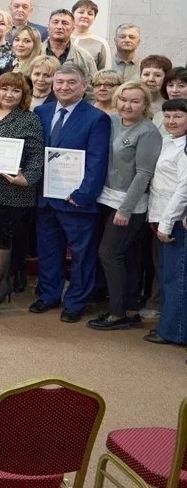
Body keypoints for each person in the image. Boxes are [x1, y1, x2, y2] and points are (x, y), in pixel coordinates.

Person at [32, 63, 111, 323]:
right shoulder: (41, 112)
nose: (64, 87)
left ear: (84, 85)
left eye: (71, 82)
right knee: (48, 251)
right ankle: (49, 295)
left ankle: (76, 302)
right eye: (60, 82)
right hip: (45, 197)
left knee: (81, 255)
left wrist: (83, 194)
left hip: (76, 200)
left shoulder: (96, 118)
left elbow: (97, 161)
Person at [0, 72, 45, 319]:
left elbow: (36, 155)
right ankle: (3, 285)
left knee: (0, 239)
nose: (9, 94)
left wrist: (27, 178)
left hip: (12, 190)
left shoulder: (29, 120)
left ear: (24, 95)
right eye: (5, 89)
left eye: (16, 90)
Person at [86, 82, 160, 331]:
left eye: (135, 101)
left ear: (145, 104)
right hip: (106, 197)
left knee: (109, 254)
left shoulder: (148, 131)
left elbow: (143, 174)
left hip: (129, 204)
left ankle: (117, 314)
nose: (127, 105)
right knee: (125, 256)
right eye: (123, 99)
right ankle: (129, 309)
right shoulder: (112, 121)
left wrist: (125, 209)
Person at [145, 98, 187, 348]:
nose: (171, 121)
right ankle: (171, 326)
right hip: (161, 216)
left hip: (174, 222)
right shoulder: (169, 142)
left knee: (176, 278)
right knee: (168, 276)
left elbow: (183, 189)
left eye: (178, 117)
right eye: (168, 116)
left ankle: (175, 332)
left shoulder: (184, 148)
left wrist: (166, 223)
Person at [70, 0, 110, 69]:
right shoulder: (62, 38)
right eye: (81, 12)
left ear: (94, 18)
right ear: (72, 15)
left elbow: (105, 72)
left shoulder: (101, 43)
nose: (85, 16)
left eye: (90, 14)